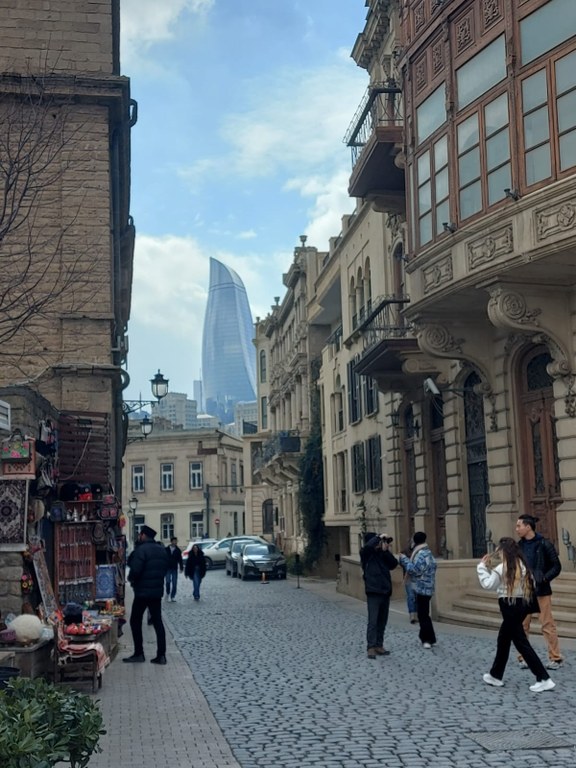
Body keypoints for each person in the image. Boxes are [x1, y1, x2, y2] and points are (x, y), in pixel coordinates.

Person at [477, 537, 555, 692]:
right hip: (521, 605)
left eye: (500, 551)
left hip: (508, 605)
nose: (498, 554)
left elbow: (488, 584)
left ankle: (543, 677)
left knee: (521, 642)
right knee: (504, 639)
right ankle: (495, 674)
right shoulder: (523, 565)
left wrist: (481, 567)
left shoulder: (503, 568)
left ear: (504, 551)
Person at [515, 514, 563, 670]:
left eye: (519, 526)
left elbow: (556, 566)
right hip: (524, 591)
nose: (517, 529)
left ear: (528, 527)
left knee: (547, 624)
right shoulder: (519, 546)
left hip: (542, 590)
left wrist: (544, 578)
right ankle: (523, 657)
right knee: (522, 625)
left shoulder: (544, 544)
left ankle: (555, 658)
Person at [124, 525, 169, 665]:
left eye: (140, 534)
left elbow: (136, 570)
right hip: (156, 592)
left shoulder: (141, 550)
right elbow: (165, 568)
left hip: (142, 592)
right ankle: (161, 655)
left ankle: (139, 653)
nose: (139, 536)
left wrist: (132, 580)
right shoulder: (161, 550)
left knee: (135, 620)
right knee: (158, 622)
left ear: (143, 535)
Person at [360, 532, 398, 659]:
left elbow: (393, 564)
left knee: (382, 621)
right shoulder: (366, 554)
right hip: (373, 591)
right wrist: (378, 537)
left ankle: (379, 645)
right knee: (373, 621)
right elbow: (368, 547)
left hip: (385, 591)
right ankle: (371, 647)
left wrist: (386, 551)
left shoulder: (382, 554)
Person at [398, 531, 437, 648]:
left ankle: (427, 639)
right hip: (427, 587)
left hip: (422, 588)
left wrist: (404, 560)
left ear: (415, 542)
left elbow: (415, 570)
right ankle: (430, 637)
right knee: (424, 614)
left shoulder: (421, 554)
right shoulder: (428, 552)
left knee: (422, 615)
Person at [400, 537, 417, 624]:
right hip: (409, 578)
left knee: (417, 596)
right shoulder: (405, 552)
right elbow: (403, 563)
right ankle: (412, 614)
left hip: (418, 578)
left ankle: (416, 614)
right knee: (411, 596)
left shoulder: (420, 552)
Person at [165, 537, 183, 601]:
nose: (175, 542)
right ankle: (167, 592)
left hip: (174, 568)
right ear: (171, 541)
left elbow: (180, 560)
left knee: (174, 583)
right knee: (167, 581)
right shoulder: (166, 549)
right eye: (174, 541)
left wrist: (181, 567)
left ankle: (173, 596)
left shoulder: (178, 550)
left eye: (176, 541)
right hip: (167, 568)